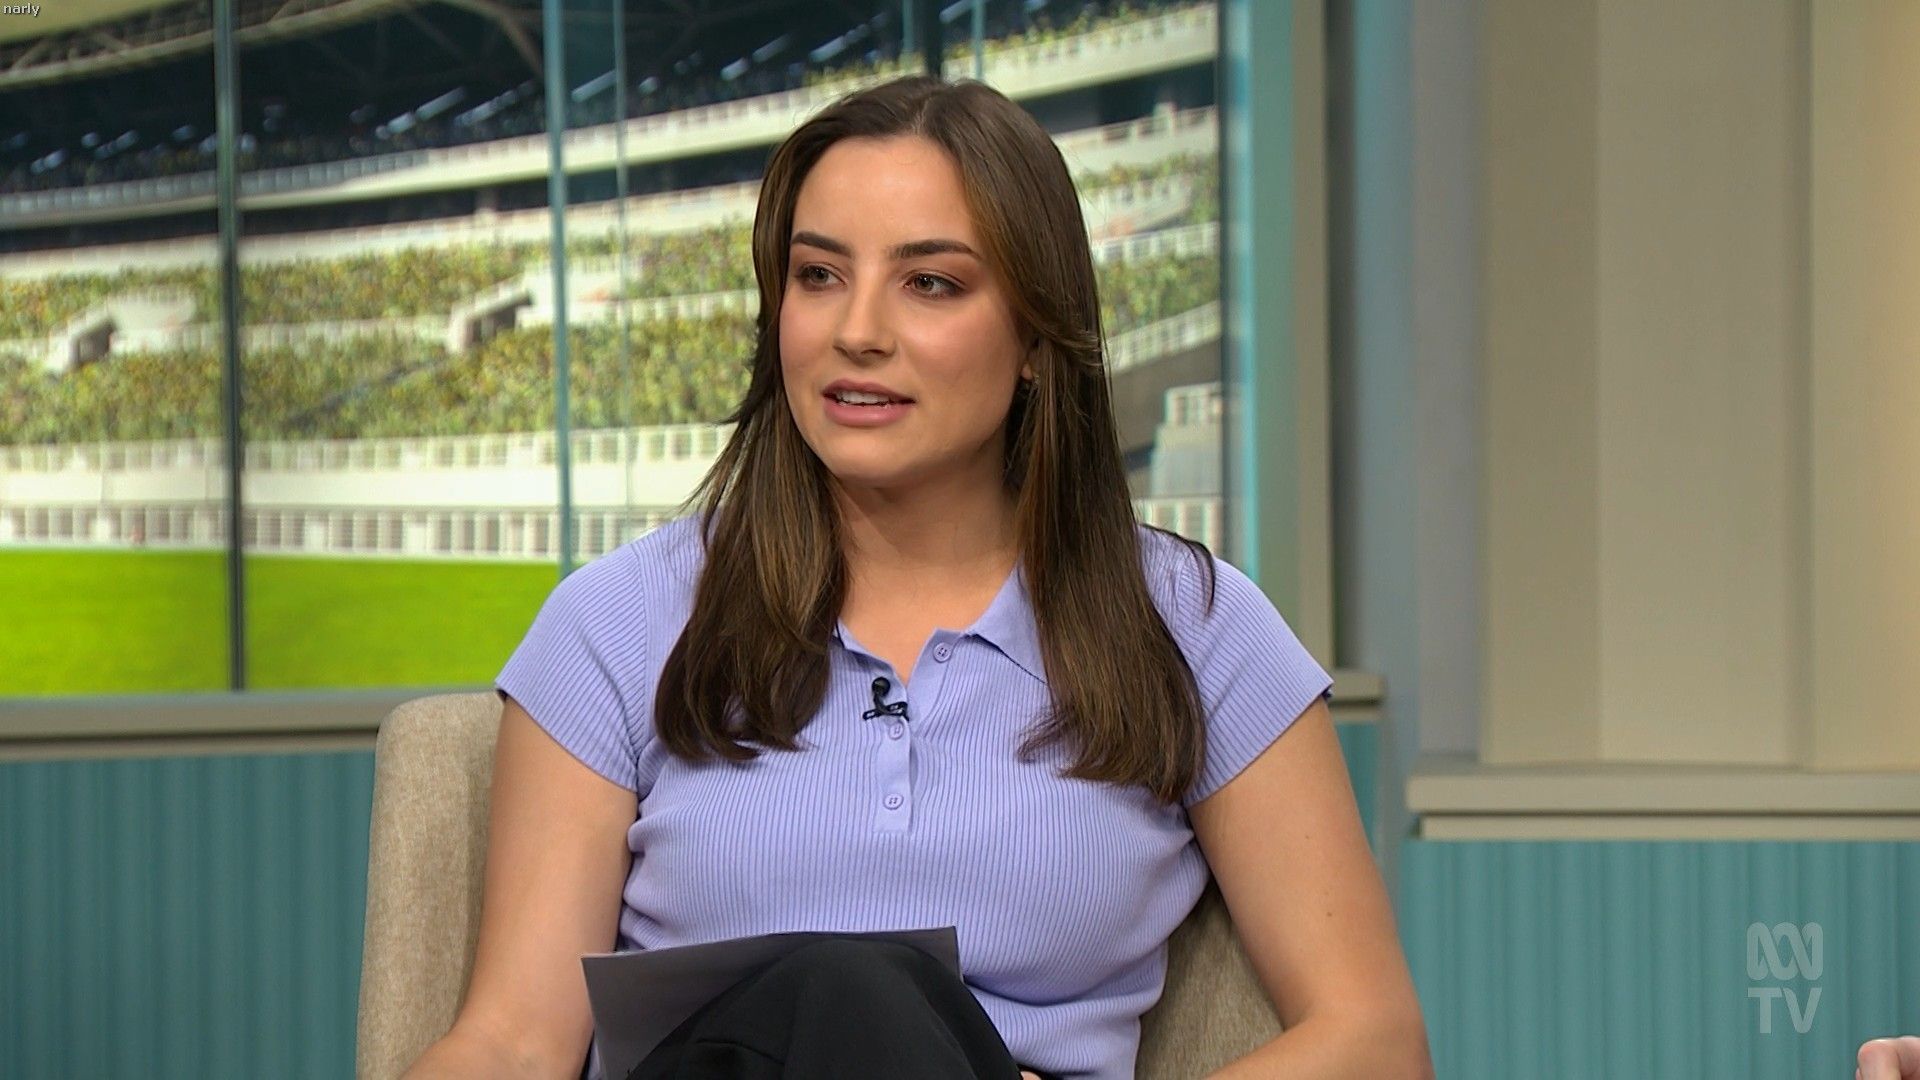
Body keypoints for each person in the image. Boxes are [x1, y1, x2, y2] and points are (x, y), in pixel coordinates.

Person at [403, 74, 1431, 1079]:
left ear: (1036, 337)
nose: (858, 332)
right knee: (850, 988)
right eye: (819, 275)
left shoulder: (1192, 627)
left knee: (872, 998)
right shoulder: (618, 621)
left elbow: (1374, 1042)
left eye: (930, 283)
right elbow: (516, 1043)